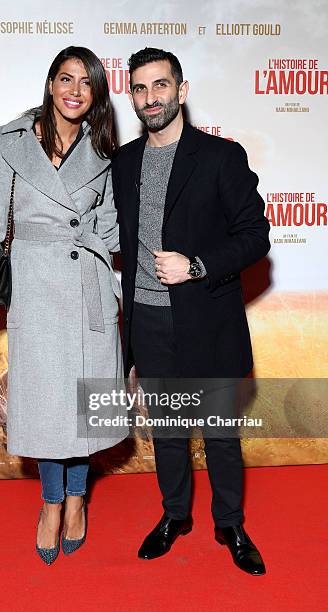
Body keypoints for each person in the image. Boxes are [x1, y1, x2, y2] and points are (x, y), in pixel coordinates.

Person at [0, 46, 127, 565]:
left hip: (88, 289)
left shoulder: (105, 151)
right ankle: (51, 503)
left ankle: (76, 499)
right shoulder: (10, 142)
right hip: (36, 291)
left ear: (96, 92)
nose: (75, 91)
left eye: (86, 82)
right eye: (66, 79)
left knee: (82, 407)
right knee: (46, 408)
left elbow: (109, 229)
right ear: (50, 84)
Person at [111, 47, 270, 575]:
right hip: (149, 322)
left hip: (208, 320)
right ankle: (175, 514)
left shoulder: (222, 157)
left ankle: (230, 522)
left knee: (221, 434)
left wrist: (196, 265)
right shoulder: (124, 163)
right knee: (170, 433)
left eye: (160, 86)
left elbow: (255, 237)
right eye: (139, 88)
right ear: (131, 96)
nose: (150, 97)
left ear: (180, 91)